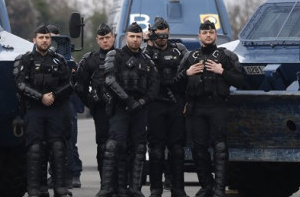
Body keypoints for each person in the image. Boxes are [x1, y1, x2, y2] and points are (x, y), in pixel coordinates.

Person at [176, 20, 245, 197]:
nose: (208, 35)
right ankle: (207, 186)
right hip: (196, 108)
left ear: (215, 35)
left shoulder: (226, 56)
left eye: (211, 32)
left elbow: (242, 81)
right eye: (205, 33)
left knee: (220, 148)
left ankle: (219, 190)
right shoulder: (190, 57)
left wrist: (222, 71)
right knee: (198, 149)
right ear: (199, 36)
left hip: (217, 107)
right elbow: (175, 85)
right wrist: (187, 73)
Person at [96, 22, 159, 197]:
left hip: (140, 109)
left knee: (139, 149)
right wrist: (127, 99)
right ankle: (108, 188)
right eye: (132, 36)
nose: (136, 40)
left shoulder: (148, 61)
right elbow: (110, 80)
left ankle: (134, 188)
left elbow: (154, 85)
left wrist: (142, 101)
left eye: (139, 37)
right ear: (126, 37)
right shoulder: (114, 55)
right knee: (114, 146)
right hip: (120, 108)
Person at [13, 24, 74, 197]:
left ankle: (60, 188)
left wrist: (54, 95)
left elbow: (70, 84)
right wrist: (40, 97)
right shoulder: (25, 60)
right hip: (34, 110)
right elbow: (20, 85)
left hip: (56, 110)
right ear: (34, 40)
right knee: (35, 149)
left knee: (58, 147)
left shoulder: (59, 60)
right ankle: (35, 188)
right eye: (41, 37)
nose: (45, 40)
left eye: (47, 38)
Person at [143, 17, 189, 197]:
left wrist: (187, 102)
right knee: (155, 149)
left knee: (177, 149)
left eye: (164, 33)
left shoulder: (179, 50)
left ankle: (178, 189)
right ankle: (156, 189)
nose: (161, 37)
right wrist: (147, 41)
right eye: (158, 33)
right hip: (155, 104)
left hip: (176, 104)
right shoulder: (146, 52)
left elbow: (188, 76)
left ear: (169, 32)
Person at [75, 23, 115, 181]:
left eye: (108, 37)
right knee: (103, 146)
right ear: (97, 40)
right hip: (100, 110)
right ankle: (105, 183)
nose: (105, 41)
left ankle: (121, 184)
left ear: (113, 38)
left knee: (121, 146)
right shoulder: (90, 60)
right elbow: (80, 86)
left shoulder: (122, 57)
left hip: (121, 110)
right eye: (102, 38)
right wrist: (91, 103)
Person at [47, 24, 83, 189]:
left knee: (69, 140)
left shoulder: (68, 61)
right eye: (49, 37)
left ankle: (73, 173)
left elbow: (75, 83)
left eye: (56, 38)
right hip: (47, 102)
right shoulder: (38, 59)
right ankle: (54, 175)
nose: (52, 42)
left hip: (66, 103)